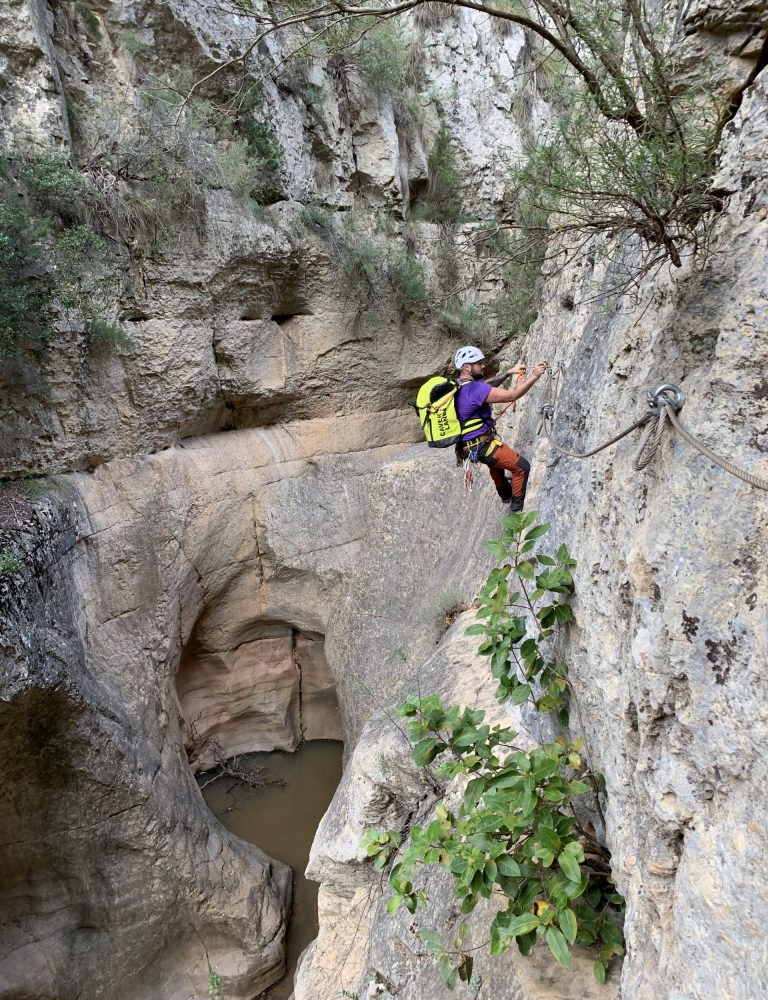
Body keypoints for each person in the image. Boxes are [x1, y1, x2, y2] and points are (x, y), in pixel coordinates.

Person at [453, 345, 547, 510]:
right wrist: (535, 375)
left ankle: (505, 495)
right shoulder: (475, 388)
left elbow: (488, 385)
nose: (483, 366)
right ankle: (516, 512)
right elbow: (512, 395)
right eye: (479, 363)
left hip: (470, 446)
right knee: (522, 468)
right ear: (467, 367)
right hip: (482, 445)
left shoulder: (460, 385)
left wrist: (509, 372)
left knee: (495, 464)